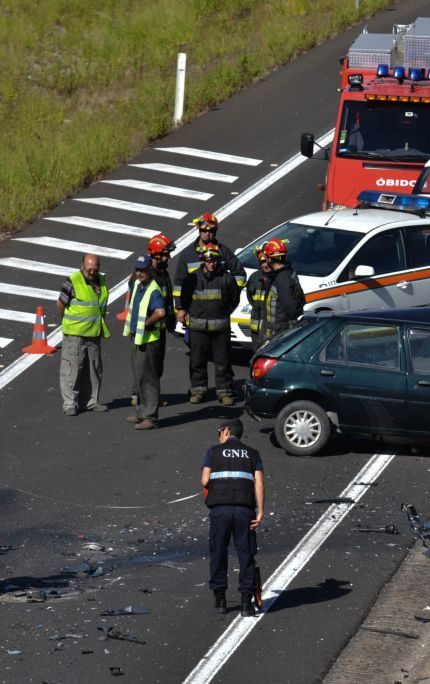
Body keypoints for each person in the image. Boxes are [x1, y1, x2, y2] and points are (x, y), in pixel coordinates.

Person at [201, 419, 264, 617]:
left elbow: (204, 480)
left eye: (220, 432)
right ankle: (246, 602)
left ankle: (220, 600)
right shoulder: (253, 453)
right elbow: (259, 483)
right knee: (246, 555)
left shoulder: (213, 451)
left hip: (220, 510)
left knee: (218, 553)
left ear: (226, 431)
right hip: (245, 511)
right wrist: (260, 510)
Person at [179, 243, 240, 405]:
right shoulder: (192, 279)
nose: (211, 263)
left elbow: (234, 300)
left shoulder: (227, 279)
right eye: (208, 260)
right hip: (198, 330)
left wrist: (223, 313)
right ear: (202, 260)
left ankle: (225, 392)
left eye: (214, 260)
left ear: (219, 260)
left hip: (220, 330)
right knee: (197, 361)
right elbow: (184, 300)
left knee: (223, 362)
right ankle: (198, 390)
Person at [57, 253, 110, 416]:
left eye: (95, 268)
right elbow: (60, 303)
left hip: (94, 333)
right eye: (89, 269)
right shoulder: (73, 281)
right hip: (75, 334)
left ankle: (90, 402)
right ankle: (69, 404)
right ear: (82, 266)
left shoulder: (101, 280)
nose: (92, 272)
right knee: (72, 369)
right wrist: (68, 321)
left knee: (93, 369)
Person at [129, 233, 177, 407]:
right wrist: (147, 322)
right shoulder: (147, 277)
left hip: (159, 329)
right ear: (156, 255)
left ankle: (150, 397)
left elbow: (167, 298)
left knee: (156, 366)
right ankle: (143, 398)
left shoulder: (162, 274)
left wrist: (171, 320)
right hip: (148, 329)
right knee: (145, 366)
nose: (168, 257)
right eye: (165, 254)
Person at [173, 213, 247, 316]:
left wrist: (230, 294)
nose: (208, 233)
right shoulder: (187, 254)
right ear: (199, 230)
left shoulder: (224, 252)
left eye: (211, 231)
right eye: (204, 230)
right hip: (195, 308)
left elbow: (240, 275)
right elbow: (179, 284)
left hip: (218, 308)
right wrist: (180, 308)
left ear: (215, 231)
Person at [124, 254, 166, 430]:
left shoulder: (153, 289)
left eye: (143, 270)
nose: (140, 273)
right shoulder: (137, 285)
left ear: (150, 269)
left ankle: (150, 416)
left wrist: (147, 323)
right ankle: (141, 412)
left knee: (148, 378)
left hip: (149, 340)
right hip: (138, 337)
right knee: (139, 376)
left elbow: (160, 312)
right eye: (138, 269)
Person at [258, 238, 306, 347]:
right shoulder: (287, 274)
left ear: (271, 259)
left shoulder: (282, 279)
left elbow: (291, 310)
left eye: (266, 258)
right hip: (277, 333)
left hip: (278, 336)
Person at [245, 245, 272, 351]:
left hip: (272, 332)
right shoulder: (254, 278)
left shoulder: (279, 278)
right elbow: (250, 299)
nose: (265, 265)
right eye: (262, 262)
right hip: (256, 331)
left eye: (266, 261)